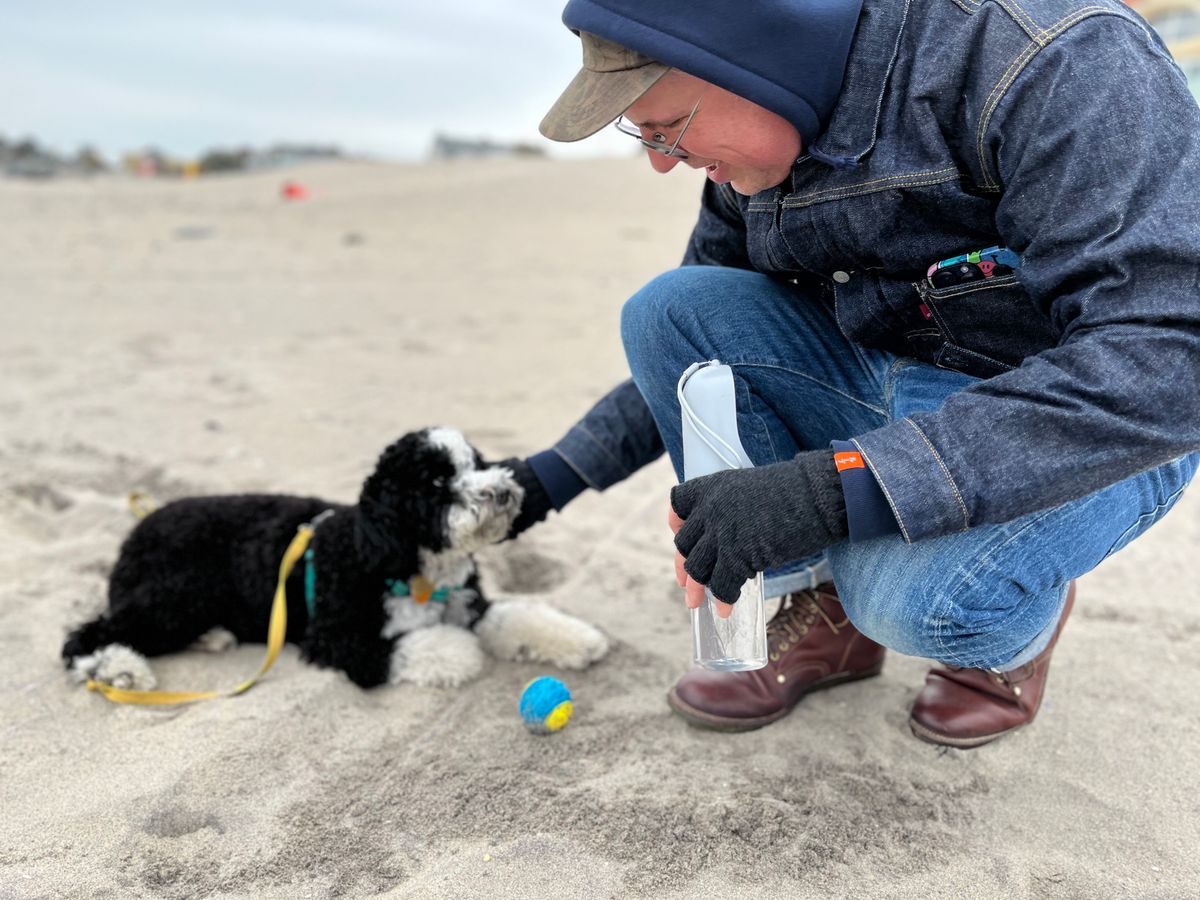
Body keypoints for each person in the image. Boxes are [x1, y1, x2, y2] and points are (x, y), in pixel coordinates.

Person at [497, 0, 1200, 748]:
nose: (662, 160)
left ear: (744, 57)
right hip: (892, 375)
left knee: (916, 604)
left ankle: (1005, 634)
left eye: (666, 128)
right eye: (642, 135)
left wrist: (831, 493)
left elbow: (1167, 352)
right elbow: (691, 355)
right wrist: (543, 481)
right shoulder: (755, 152)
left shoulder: (1051, 56)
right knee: (671, 308)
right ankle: (823, 613)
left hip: (1093, 423)